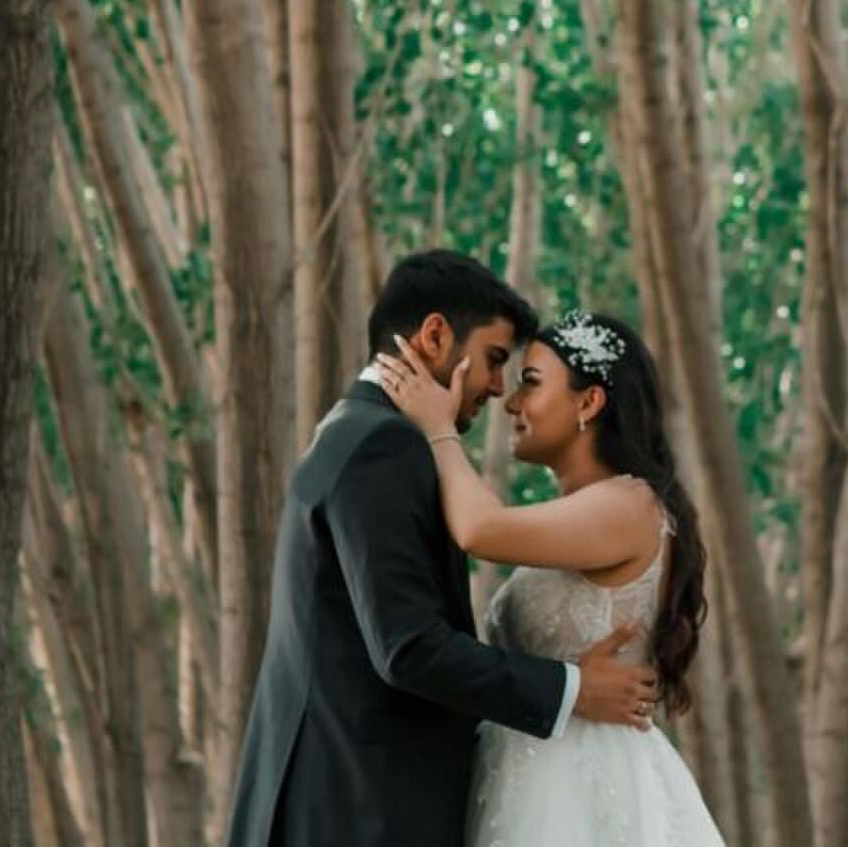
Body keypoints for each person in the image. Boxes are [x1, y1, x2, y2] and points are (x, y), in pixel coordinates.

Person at [227, 251, 658, 847]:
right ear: (435, 335)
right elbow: (409, 648)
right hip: (356, 812)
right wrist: (572, 689)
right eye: (495, 360)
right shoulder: (387, 446)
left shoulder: (351, 427)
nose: (499, 388)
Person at [376, 308, 725, 845]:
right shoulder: (584, 511)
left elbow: (478, 529)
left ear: (589, 402)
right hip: (521, 775)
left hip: (582, 790)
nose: (511, 403)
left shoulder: (628, 505)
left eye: (531, 384)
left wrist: (438, 427)